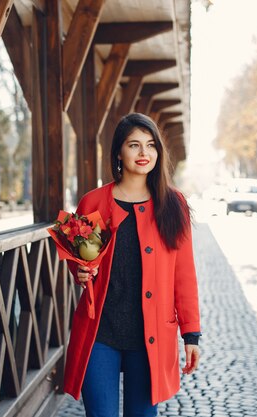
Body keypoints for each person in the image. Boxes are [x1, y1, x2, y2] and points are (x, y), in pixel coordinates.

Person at [63, 113, 201, 417]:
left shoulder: (173, 204)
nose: (143, 153)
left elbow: (184, 276)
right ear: (118, 152)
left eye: (150, 145)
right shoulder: (93, 202)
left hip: (150, 337)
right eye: (134, 145)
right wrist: (80, 271)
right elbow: (81, 258)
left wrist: (191, 335)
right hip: (101, 333)